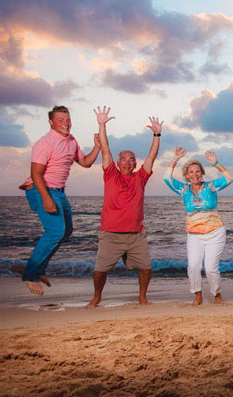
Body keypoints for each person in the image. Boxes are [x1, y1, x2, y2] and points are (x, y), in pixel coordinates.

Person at [20, 105, 101, 295]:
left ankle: (39, 269)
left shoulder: (71, 141)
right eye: (60, 120)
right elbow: (36, 173)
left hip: (59, 192)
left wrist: (97, 146)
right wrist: (46, 198)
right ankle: (30, 275)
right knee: (55, 231)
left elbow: (86, 163)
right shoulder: (45, 142)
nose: (65, 123)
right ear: (51, 122)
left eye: (67, 119)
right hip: (41, 189)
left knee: (66, 231)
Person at [87, 107, 160, 308]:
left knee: (146, 268)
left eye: (131, 159)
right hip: (110, 234)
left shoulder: (140, 177)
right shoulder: (110, 174)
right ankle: (96, 298)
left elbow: (152, 156)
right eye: (123, 159)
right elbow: (105, 148)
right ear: (118, 162)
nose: (127, 162)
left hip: (136, 234)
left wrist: (156, 134)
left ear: (135, 163)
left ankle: (142, 298)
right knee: (100, 270)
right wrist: (101, 124)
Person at [164, 148, 233, 305]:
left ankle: (217, 296)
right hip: (194, 235)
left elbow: (229, 178)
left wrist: (216, 163)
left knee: (210, 268)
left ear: (202, 173)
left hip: (215, 232)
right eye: (191, 172)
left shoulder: (211, 187)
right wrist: (174, 158)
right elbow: (166, 177)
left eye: (197, 172)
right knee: (193, 266)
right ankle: (198, 296)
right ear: (187, 175)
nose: (194, 174)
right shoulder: (183, 189)